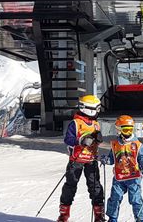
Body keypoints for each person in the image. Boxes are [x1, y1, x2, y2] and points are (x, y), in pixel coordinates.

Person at [58, 94, 105, 222]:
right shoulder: (76, 123)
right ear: (88, 108)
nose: (98, 111)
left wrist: (98, 139)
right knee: (70, 186)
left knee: (95, 186)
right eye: (97, 109)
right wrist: (81, 140)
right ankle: (64, 214)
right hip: (76, 160)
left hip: (91, 160)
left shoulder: (96, 124)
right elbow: (68, 139)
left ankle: (99, 215)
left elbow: (96, 142)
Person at [99, 115, 143, 222]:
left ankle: (140, 219)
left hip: (134, 177)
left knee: (136, 199)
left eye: (131, 129)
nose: (129, 132)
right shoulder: (115, 145)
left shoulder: (137, 145)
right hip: (119, 177)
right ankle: (112, 218)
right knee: (114, 198)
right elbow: (112, 159)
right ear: (119, 130)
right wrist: (106, 160)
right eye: (125, 130)